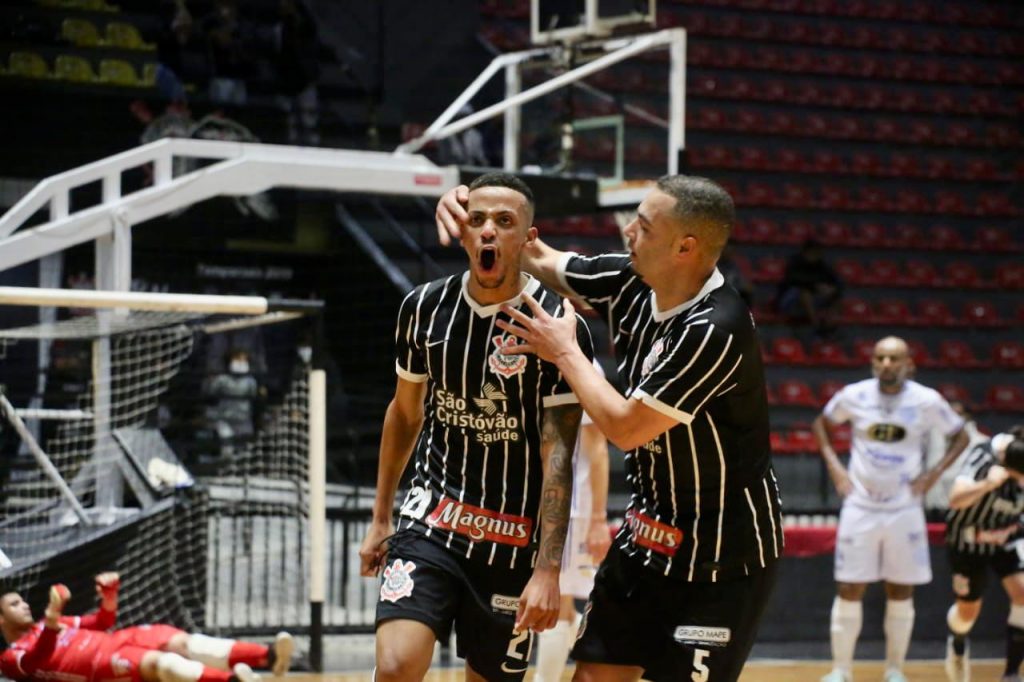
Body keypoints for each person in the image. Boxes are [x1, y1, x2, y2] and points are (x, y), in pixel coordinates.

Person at [437, 174, 784, 682]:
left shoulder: (716, 327)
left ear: (685, 247)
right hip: (646, 537)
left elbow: (625, 428)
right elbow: (539, 259)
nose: (627, 234)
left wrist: (565, 350)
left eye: (642, 227)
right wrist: (472, 208)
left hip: (721, 558)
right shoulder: (630, 279)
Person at [358, 172, 595, 682]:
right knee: (397, 665)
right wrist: (382, 516)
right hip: (432, 520)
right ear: (464, 232)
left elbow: (558, 456)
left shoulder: (557, 323)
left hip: (513, 541)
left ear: (528, 239)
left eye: (505, 222)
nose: (489, 231)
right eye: (478, 220)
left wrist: (549, 570)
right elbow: (404, 414)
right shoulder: (422, 308)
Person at [812, 336, 970, 682]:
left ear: (908, 364)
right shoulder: (854, 395)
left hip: (904, 507)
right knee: (849, 587)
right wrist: (836, 469)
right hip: (860, 505)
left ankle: (895, 669)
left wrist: (934, 475)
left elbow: (961, 436)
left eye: (894, 358)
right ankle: (841, 670)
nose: (886, 364)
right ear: (873, 363)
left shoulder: (926, 400)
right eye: (880, 358)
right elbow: (821, 425)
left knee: (901, 588)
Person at [0, 573, 293, 682]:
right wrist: (52, 621)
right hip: (101, 666)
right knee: (164, 665)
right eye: (14, 605)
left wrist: (110, 595)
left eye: (21, 601)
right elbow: (38, 659)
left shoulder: (50, 623)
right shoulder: (11, 657)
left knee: (186, 643)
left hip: (120, 639)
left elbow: (102, 623)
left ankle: (268, 656)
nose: (24, 605)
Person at [533, 362, 612, 682]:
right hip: (535, 504)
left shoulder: (585, 364)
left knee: (559, 599)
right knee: (559, 603)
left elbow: (598, 448)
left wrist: (597, 518)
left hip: (571, 506)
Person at [944, 427, 1024, 682]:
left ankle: (1011, 673)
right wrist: (988, 484)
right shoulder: (983, 457)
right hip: (969, 540)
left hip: (1008, 535)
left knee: (1023, 593)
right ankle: (957, 642)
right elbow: (956, 499)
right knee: (967, 613)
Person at [774, 238, 842, 336]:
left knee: (836, 296)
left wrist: (832, 289)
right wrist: (816, 286)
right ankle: (816, 324)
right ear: (807, 251)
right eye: (815, 252)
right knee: (804, 293)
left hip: (813, 300)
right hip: (789, 301)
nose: (818, 255)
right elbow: (794, 280)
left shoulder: (821, 265)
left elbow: (838, 282)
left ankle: (830, 324)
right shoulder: (795, 262)